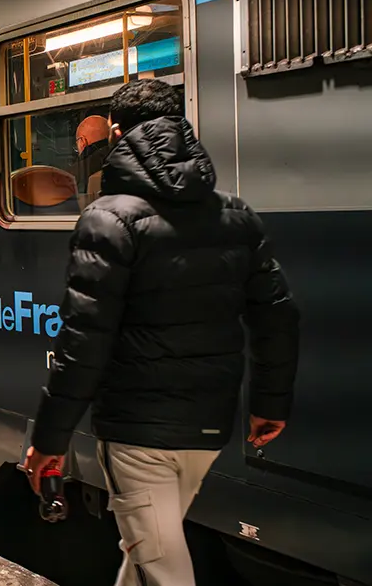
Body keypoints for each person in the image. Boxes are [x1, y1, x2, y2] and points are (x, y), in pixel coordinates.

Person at [23, 79, 299, 586]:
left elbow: (84, 341)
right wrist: (269, 404)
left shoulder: (107, 218)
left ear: (115, 131)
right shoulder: (236, 214)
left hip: (137, 430)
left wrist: (50, 439)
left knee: (162, 566)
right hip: (209, 425)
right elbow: (276, 315)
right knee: (148, 552)